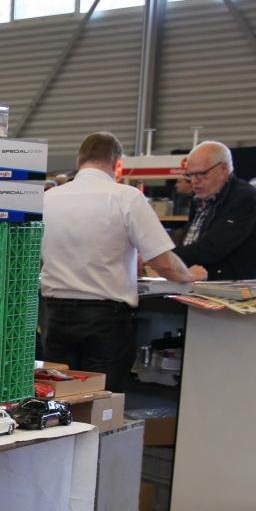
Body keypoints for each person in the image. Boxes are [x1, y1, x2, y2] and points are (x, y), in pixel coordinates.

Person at [40, 132, 206, 394]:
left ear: (79, 159)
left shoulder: (48, 199)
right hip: (105, 320)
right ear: (117, 162)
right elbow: (163, 262)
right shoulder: (126, 197)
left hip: (55, 317)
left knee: (59, 398)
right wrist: (189, 275)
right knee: (102, 400)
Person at [173, 141, 256, 281]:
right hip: (203, 283)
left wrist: (165, 257)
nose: (194, 181)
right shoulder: (200, 200)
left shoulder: (246, 199)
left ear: (224, 169)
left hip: (238, 287)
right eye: (190, 175)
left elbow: (213, 247)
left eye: (202, 174)